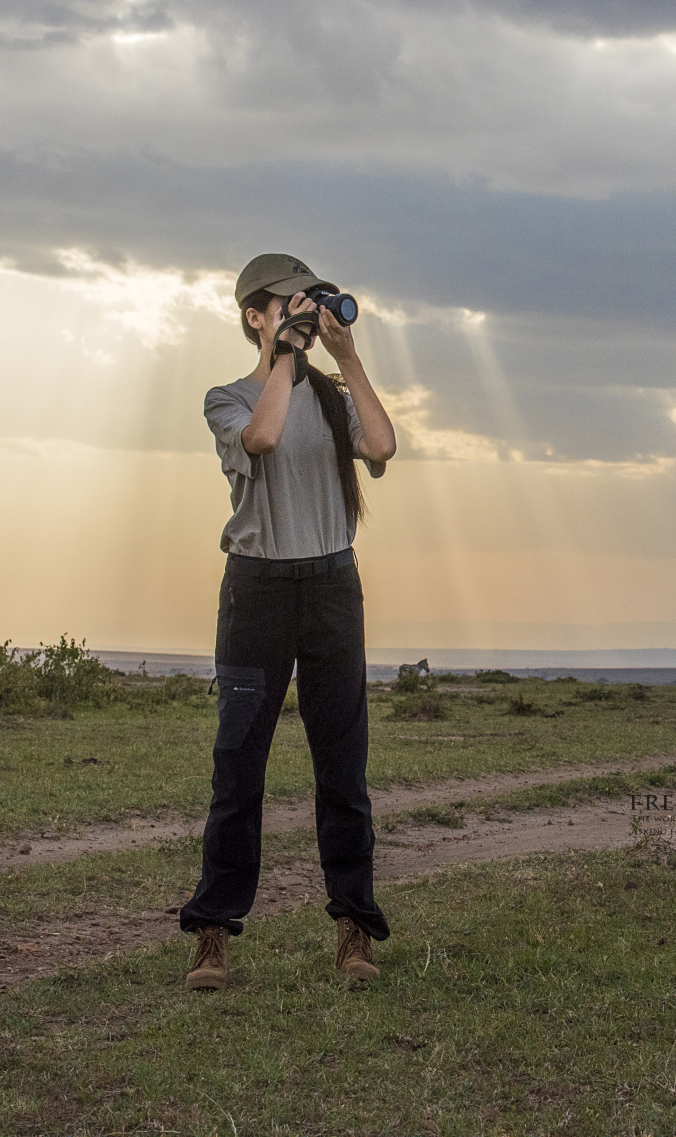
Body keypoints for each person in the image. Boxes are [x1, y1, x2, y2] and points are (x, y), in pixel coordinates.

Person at [177, 253, 398, 990]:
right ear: (254, 315)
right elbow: (264, 439)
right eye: (289, 305)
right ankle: (212, 933)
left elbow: (384, 447)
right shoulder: (228, 398)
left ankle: (354, 932)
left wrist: (347, 356)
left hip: (332, 584)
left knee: (344, 769)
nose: (304, 313)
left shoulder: (334, 399)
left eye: (313, 302)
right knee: (238, 768)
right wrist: (287, 357)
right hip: (258, 590)